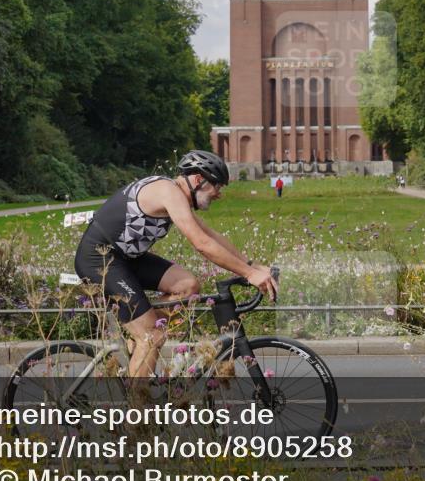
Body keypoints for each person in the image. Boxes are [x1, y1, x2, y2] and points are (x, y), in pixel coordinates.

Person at [74, 150, 278, 377]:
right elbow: (201, 243)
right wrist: (249, 274)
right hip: (99, 260)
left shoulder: (176, 195)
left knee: (188, 286)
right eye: (217, 186)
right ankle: (137, 409)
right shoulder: (167, 192)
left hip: (126, 259)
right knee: (153, 336)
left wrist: (251, 265)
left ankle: (137, 331)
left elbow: (210, 235)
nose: (219, 194)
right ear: (199, 180)